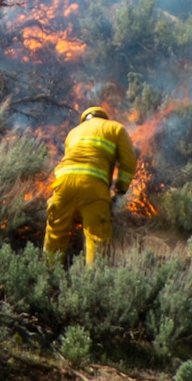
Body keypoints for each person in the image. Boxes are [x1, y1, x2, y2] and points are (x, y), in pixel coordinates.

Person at [43, 106, 138, 264]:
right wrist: (121, 189)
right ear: (104, 118)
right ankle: (93, 283)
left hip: (62, 185)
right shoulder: (115, 128)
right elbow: (129, 162)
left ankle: (47, 277)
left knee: (55, 233)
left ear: (85, 118)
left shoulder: (73, 132)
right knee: (97, 239)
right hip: (93, 187)